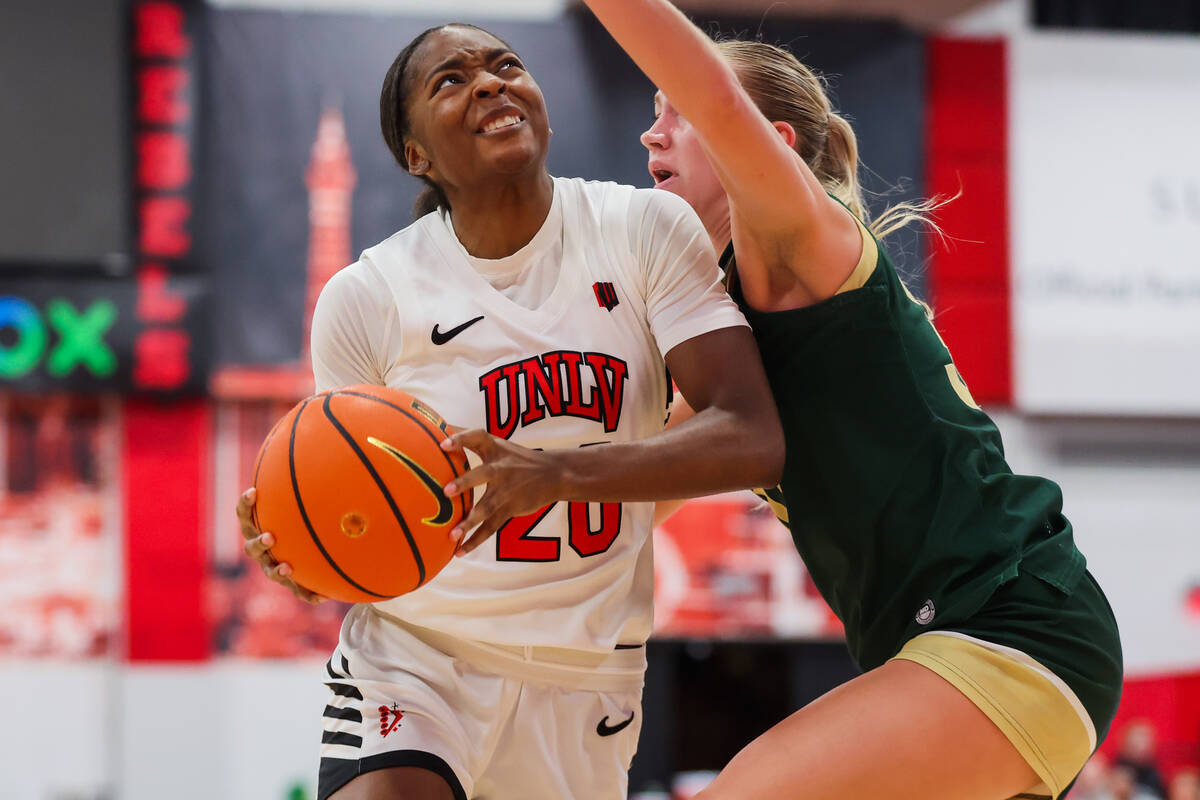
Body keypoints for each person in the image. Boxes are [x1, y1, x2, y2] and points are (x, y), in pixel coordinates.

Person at [570, 1, 1125, 798]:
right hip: (958, 645)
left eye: (676, 113)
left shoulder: (808, 243)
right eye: (653, 116)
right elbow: (611, 502)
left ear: (771, 149)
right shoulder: (738, 350)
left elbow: (721, 100)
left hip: (1009, 626)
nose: (652, 135)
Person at [236, 22, 783, 800]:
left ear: (542, 107)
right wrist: (306, 547)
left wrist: (555, 472)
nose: (489, 82)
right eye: (450, 81)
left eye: (506, 66)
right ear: (415, 154)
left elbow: (753, 434)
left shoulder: (641, 230)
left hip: (585, 675)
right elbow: (353, 504)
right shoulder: (366, 298)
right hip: (418, 659)